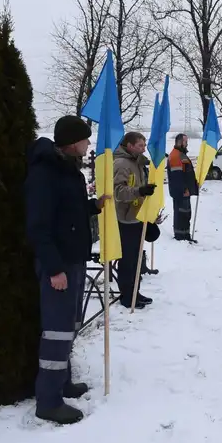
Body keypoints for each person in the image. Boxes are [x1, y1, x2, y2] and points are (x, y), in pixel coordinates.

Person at [25, 115, 110, 425]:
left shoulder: (67, 169)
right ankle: (48, 400)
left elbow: (68, 211)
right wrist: (54, 268)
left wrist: (93, 206)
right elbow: (39, 226)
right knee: (56, 331)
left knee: (69, 326)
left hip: (73, 261)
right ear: (73, 142)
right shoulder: (45, 173)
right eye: (85, 140)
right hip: (57, 266)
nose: (89, 145)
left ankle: (63, 382)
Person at [113, 131, 155, 309]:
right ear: (129, 146)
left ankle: (135, 292)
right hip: (125, 218)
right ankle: (127, 295)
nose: (144, 149)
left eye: (144, 145)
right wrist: (140, 191)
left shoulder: (137, 162)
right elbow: (118, 192)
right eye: (140, 145)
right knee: (128, 260)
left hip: (137, 216)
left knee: (136, 258)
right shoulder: (121, 163)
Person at [168, 133, 199, 242]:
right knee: (181, 214)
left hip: (185, 191)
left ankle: (186, 236)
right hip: (180, 192)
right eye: (186, 141)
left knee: (186, 214)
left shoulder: (181, 154)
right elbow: (177, 176)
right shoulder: (176, 156)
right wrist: (184, 189)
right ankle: (180, 237)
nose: (187, 143)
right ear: (180, 142)